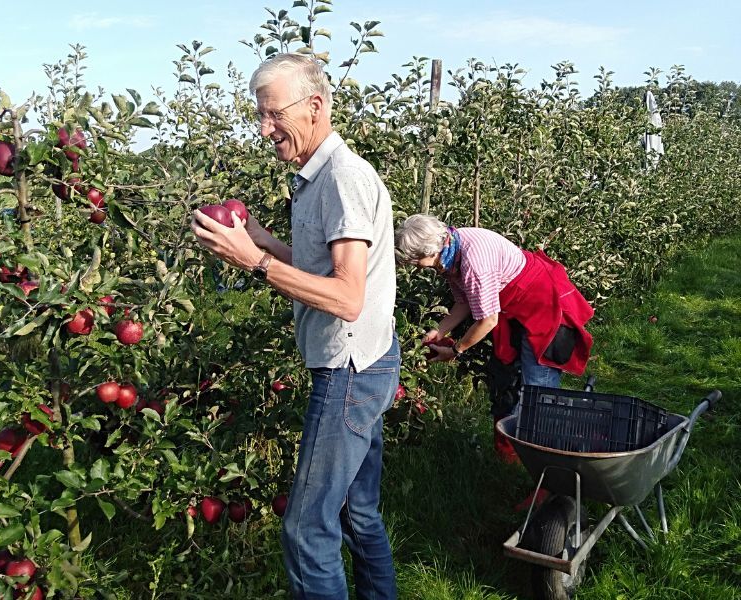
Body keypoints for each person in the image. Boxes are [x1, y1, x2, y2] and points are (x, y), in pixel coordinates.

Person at [191, 53, 400, 600]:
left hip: (348, 372)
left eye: (273, 114)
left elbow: (347, 297)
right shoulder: (317, 179)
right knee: (359, 516)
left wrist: (254, 264)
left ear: (315, 105)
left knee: (306, 532)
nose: (265, 130)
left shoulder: (342, 179)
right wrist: (262, 239)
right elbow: (324, 270)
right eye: (258, 116)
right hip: (370, 361)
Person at [394, 214, 594, 467]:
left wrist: (456, 350)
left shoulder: (474, 263)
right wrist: (440, 331)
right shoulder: (451, 250)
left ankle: (554, 462)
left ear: (432, 250)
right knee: (508, 379)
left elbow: (488, 321)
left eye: (416, 260)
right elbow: (463, 301)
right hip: (514, 308)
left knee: (538, 388)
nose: (415, 265)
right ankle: (516, 454)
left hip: (540, 307)